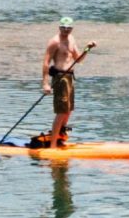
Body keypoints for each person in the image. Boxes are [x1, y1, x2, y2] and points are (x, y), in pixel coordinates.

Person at [36, 17, 96, 147]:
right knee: (61, 111)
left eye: (68, 28)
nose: (66, 30)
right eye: (63, 27)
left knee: (68, 110)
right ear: (59, 27)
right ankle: (52, 145)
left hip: (69, 77)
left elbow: (78, 59)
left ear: (72, 28)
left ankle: (60, 138)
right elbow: (46, 62)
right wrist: (45, 83)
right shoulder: (54, 42)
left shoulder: (72, 39)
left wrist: (87, 48)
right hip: (60, 78)